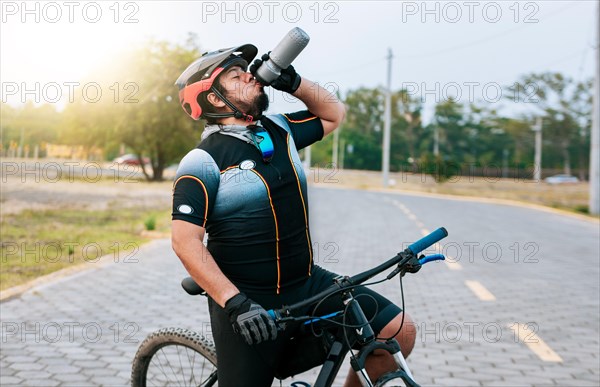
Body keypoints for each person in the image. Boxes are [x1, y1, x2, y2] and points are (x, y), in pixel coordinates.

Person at [171, 43, 416, 387]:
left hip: (306, 282)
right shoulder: (202, 160)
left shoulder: (279, 130)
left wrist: (294, 81)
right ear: (214, 98)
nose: (250, 76)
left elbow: (334, 114)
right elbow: (184, 241)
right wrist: (235, 302)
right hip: (249, 302)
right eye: (235, 75)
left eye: (247, 69)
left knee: (397, 332)